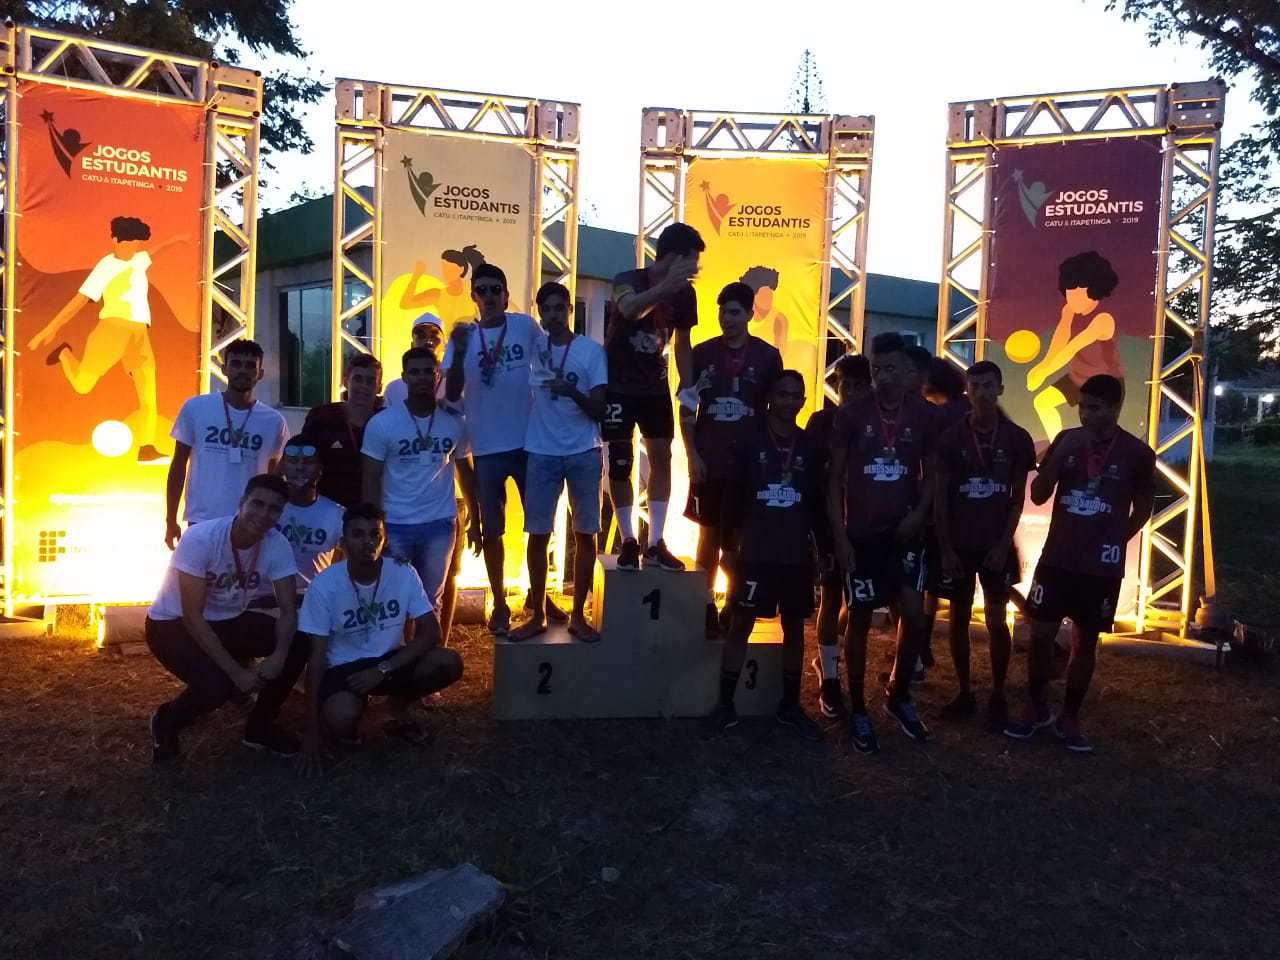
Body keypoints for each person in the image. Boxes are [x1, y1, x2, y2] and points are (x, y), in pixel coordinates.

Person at [1005, 374, 1155, 753]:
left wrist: (1115, 539)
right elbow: (1038, 495)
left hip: (1100, 568)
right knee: (1040, 634)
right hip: (1057, 558)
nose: (1085, 415)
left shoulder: (1137, 453)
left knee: (1085, 641)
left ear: (1115, 408)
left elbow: (1144, 508)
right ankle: (1036, 705)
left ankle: (1070, 715)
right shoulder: (1067, 441)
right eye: (1082, 407)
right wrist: (1057, 458)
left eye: (1094, 408)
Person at [145, 474, 307, 763]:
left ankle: (259, 728)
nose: (264, 514)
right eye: (257, 504)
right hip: (172, 624)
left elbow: (287, 608)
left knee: (298, 642)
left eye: (274, 509)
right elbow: (192, 617)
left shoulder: (276, 543)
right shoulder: (201, 539)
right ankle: (166, 721)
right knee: (218, 686)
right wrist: (237, 673)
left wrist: (279, 655)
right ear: (242, 502)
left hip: (226, 619)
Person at [295, 503, 464, 777]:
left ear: (384, 540)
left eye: (375, 534)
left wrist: (384, 669)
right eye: (358, 534)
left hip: (389, 661)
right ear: (343, 543)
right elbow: (315, 659)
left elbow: (431, 632)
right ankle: (352, 717)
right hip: (345, 668)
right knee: (341, 718)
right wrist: (310, 731)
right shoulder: (324, 585)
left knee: (448, 662)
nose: (367, 542)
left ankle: (395, 706)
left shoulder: (402, 572)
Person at [827, 333, 936, 752]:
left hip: (904, 532)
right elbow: (834, 478)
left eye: (891, 368)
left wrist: (919, 514)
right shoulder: (852, 413)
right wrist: (840, 535)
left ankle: (898, 693)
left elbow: (933, 474)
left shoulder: (922, 415)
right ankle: (858, 706)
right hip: (862, 534)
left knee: (915, 617)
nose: (883, 377)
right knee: (859, 618)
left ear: (906, 369)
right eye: (877, 369)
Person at [708, 370, 824, 739]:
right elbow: (731, 497)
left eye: (795, 395)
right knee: (741, 624)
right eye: (782, 394)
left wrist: (822, 551)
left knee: (795, 628)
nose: (789, 401)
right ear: (771, 397)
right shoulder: (750, 439)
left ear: (803, 401)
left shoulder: (809, 447)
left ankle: (790, 706)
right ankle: (725, 705)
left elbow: (818, 504)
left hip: (795, 554)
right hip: (756, 551)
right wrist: (728, 547)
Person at [443, 263, 554, 636]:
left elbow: (550, 361)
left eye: (496, 290)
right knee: (493, 532)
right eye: (482, 290)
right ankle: (501, 604)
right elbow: (453, 393)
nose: (489, 296)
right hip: (486, 447)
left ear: (506, 296)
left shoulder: (525, 326)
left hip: (529, 443)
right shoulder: (462, 336)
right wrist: (459, 353)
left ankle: (539, 599)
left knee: (539, 526)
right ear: (473, 296)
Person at [27, 215, 187, 464]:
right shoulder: (106, 266)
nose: (131, 247)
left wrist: (176, 240)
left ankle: (146, 447)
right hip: (112, 329)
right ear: (114, 240)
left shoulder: (139, 260)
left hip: (139, 334)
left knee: (148, 393)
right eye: (126, 242)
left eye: (135, 242)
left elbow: (155, 252)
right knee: (82, 385)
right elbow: (80, 300)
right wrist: (51, 328)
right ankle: (64, 353)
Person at [933, 361, 1036, 729]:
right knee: (958, 618)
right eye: (974, 387)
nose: (981, 394)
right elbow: (940, 498)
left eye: (989, 386)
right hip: (960, 544)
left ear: (1001, 389)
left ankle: (998, 694)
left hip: (996, 544)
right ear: (967, 391)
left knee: (996, 619)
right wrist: (946, 550)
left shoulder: (1017, 438)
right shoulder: (950, 438)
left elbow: (1017, 498)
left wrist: (1004, 543)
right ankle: (964, 693)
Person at [682, 281, 783, 638]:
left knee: (740, 541)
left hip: (749, 467)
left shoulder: (768, 357)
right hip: (709, 461)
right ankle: (705, 606)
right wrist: (692, 453)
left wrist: (771, 460)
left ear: (750, 314)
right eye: (723, 312)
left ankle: (735, 605)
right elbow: (686, 405)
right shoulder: (702, 353)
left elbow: (776, 413)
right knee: (707, 538)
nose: (727, 319)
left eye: (735, 312)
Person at [510, 282, 608, 643]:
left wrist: (571, 391)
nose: (551, 316)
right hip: (541, 450)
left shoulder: (590, 351)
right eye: (545, 310)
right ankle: (537, 614)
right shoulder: (534, 347)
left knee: (586, 534)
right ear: (539, 313)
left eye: (557, 308)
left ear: (570, 309)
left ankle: (578, 615)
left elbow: (599, 408)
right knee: (537, 534)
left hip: (584, 450)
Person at [604, 222, 705, 572]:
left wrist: (688, 387)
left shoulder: (686, 294)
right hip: (618, 384)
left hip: (655, 387)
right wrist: (664, 288)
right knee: (621, 462)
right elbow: (630, 309)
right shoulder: (627, 279)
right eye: (692, 262)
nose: (696, 270)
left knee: (662, 456)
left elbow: (683, 342)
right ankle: (628, 540)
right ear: (674, 258)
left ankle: (655, 542)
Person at [362, 348, 470, 615]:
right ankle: (398, 644)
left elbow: (465, 471)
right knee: (393, 601)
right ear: (404, 377)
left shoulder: (455, 422)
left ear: (438, 376)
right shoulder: (383, 423)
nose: (422, 377)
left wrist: (475, 517)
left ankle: (430, 644)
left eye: (428, 372)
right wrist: (374, 527)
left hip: (439, 525)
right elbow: (371, 478)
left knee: (431, 601)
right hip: (395, 524)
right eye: (415, 372)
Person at [165, 339, 289, 548]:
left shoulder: (274, 421)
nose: (242, 371)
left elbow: (274, 479)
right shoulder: (196, 407)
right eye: (236, 364)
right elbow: (178, 465)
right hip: (202, 519)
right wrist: (170, 519)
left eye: (250, 366)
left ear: (260, 373)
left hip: (251, 521)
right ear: (224, 369)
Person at [806, 354, 871, 718]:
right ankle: (830, 679)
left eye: (860, 385)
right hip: (830, 523)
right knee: (831, 598)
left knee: (860, 602)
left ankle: (830, 657)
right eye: (847, 384)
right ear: (837, 386)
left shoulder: (878, 422)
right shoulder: (821, 421)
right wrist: (817, 530)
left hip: (868, 525)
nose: (853, 392)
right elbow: (812, 477)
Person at [1026, 251, 1123, 439]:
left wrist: (1045, 372)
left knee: (1095, 422)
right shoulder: (1069, 310)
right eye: (1069, 295)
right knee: (1043, 402)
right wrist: (1042, 366)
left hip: (1105, 383)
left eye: (1078, 296)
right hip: (1078, 377)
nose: (1072, 301)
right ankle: (1058, 444)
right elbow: (1060, 340)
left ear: (1094, 290)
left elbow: (1072, 348)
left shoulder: (1103, 319)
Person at [302, 353, 384, 508]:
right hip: (327, 509)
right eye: (358, 379)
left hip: (371, 512)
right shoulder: (321, 417)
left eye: (370, 380)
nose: (364, 385)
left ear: (379, 386)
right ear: (346, 382)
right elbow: (303, 461)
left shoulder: (387, 422)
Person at [271, 435, 345, 595]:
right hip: (266, 598)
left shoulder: (337, 514)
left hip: (313, 599)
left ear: (320, 469)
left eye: (308, 461)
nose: (300, 467)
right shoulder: (264, 506)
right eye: (293, 461)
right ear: (282, 466)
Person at [382, 313, 444, 406]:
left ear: (444, 345)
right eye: (421, 336)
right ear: (412, 345)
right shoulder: (394, 389)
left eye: (434, 336)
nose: (428, 341)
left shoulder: (455, 386)